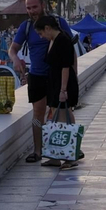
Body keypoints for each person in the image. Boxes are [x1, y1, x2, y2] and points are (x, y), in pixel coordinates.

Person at [11, 0, 73, 164]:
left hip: (56, 75)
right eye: (28, 8)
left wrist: (71, 78)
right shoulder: (26, 27)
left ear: (43, 5)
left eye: (34, 7)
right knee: (38, 114)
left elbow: (70, 50)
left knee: (60, 113)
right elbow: (13, 49)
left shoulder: (58, 23)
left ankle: (66, 152)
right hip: (37, 75)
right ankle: (38, 150)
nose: (32, 11)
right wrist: (15, 59)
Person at [35, 15, 82, 168]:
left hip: (64, 84)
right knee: (60, 116)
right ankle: (56, 156)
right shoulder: (54, 40)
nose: (41, 36)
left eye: (41, 33)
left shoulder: (63, 40)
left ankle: (70, 156)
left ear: (48, 28)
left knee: (64, 117)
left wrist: (63, 90)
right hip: (55, 83)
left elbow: (65, 66)